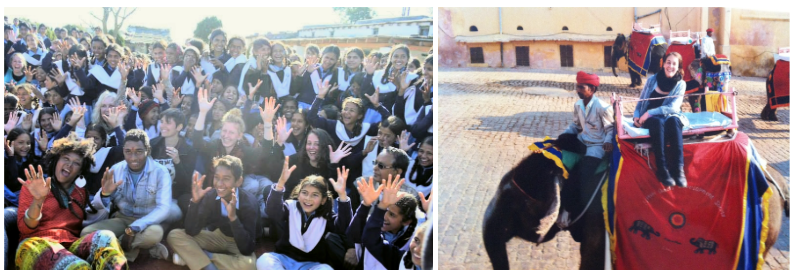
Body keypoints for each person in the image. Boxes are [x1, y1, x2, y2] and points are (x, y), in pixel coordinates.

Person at [14, 133, 127, 270]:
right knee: (77, 266)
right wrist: (38, 201)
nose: (69, 165)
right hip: (35, 244)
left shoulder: (81, 192)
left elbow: (89, 220)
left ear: (81, 170)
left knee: (106, 237)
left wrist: (105, 194)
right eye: (65, 158)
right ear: (56, 160)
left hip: (70, 245)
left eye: (76, 163)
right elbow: (26, 228)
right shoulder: (34, 186)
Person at [80, 129, 173, 262]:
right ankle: (141, 250)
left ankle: (113, 251)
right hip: (122, 219)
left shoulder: (161, 172)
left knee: (155, 234)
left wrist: (135, 227)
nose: (133, 157)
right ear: (123, 150)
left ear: (148, 150)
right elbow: (100, 204)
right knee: (86, 233)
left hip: (146, 223)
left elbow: (163, 208)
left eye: (139, 152)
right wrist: (105, 194)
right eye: (128, 151)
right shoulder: (116, 169)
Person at [256, 162, 353, 270]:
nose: (308, 198)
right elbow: (273, 211)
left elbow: (344, 226)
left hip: (311, 265)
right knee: (264, 260)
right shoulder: (290, 207)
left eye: (315, 195)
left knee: (326, 270)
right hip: (284, 259)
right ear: (299, 194)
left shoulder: (326, 216)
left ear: (323, 200)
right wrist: (280, 184)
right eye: (305, 193)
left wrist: (342, 195)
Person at [167, 156, 259, 270]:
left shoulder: (249, 204)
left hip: (239, 243)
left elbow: (247, 248)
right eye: (216, 177)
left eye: (226, 178)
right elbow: (191, 231)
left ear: (239, 181)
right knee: (175, 235)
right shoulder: (211, 196)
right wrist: (195, 202)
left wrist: (233, 218)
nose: (219, 184)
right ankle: (209, 267)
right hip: (219, 236)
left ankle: (203, 257)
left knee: (249, 265)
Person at [545, 71, 614, 217]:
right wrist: (563, 135)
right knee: (558, 143)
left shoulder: (604, 108)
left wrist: (608, 142)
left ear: (592, 89)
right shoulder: (578, 105)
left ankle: (573, 210)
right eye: (577, 87)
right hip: (582, 141)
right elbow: (575, 126)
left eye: (581, 87)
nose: (578, 91)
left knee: (581, 176)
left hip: (596, 147)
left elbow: (610, 129)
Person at [633, 52, 689, 187]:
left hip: (669, 115)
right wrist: (636, 115)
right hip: (653, 119)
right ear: (663, 64)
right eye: (668, 62)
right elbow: (642, 101)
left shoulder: (681, 84)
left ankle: (678, 170)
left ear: (679, 67)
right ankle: (662, 170)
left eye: (674, 64)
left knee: (674, 121)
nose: (670, 66)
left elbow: (674, 107)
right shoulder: (652, 80)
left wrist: (649, 113)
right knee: (657, 122)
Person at [349, 174, 420, 270]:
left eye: (392, 215)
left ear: (406, 222)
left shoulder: (411, 241)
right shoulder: (374, 222)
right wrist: (366, 204)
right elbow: (352, 234)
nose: (384, 216)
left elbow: (371, 240)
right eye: (385, 210)